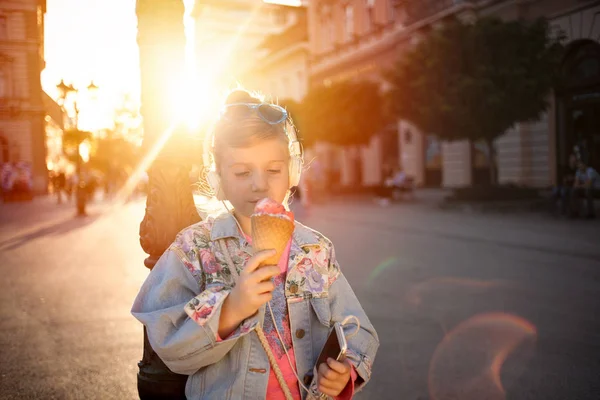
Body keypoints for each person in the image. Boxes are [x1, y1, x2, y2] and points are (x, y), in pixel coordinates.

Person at [131, 90, 379, 400]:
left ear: (292, 171)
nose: (259, 183)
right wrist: (231, 310)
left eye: (273, 170)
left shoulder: (314, 249)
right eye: (242, 172)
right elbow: (169, 343)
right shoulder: (196, 248)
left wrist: (345, 372)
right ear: (218, 177)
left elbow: (356, 327)